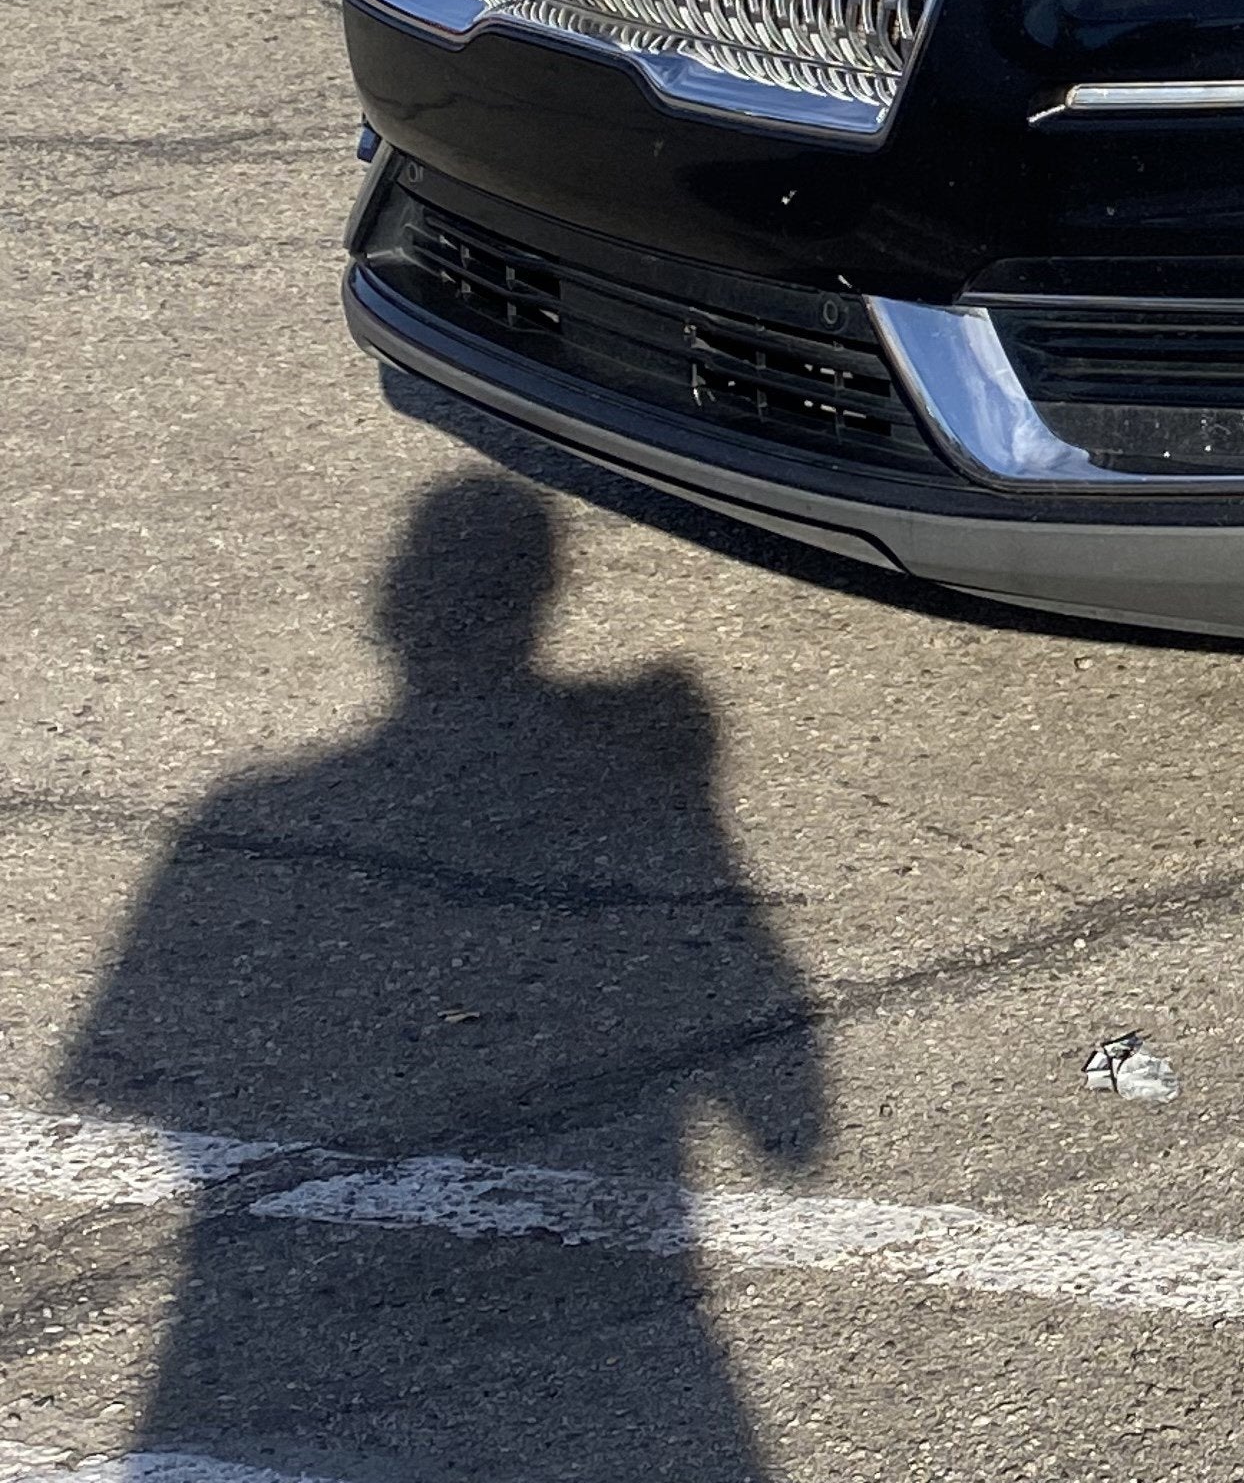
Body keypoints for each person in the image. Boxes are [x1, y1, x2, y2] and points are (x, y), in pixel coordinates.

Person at [60, 474, 821, 1478]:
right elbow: (793, 1130)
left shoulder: (247, 812)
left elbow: (123, 1077)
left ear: (391, 612)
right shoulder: (647, 780)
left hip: (278, 1342)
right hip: (605, 1357)